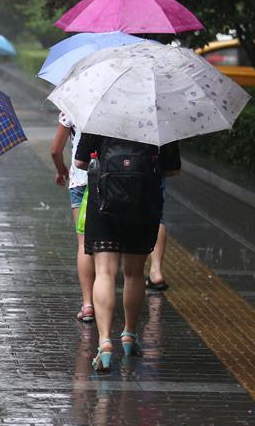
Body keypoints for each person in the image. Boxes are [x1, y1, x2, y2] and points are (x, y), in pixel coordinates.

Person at [74, 134, 180, 371]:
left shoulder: (101, 112)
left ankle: (104, 344)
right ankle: (129, 336)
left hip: (104, 202)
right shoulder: (159, 117)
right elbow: (172, 169)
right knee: (134, 274)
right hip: (143, 204)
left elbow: (80, 162)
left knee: (104, 273)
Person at [50, 112, 94, 322]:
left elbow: (55, 150)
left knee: (85, 243)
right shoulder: (123, 101)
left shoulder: (74, 105)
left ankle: (88, 304)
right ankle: (107, 297)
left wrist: (61, 170)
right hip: (113, 181)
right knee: (109, 245)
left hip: (81, 180)